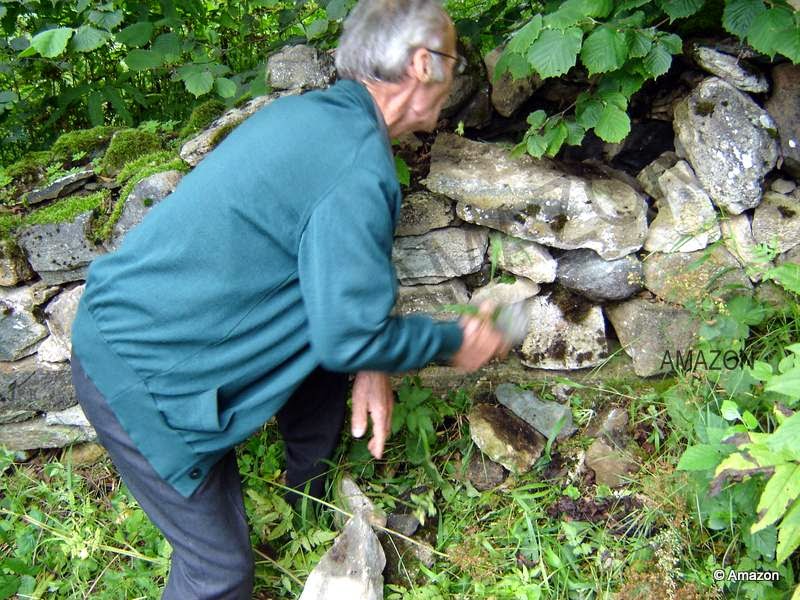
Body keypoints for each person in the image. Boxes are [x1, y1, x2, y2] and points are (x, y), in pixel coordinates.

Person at [70, 0, 508, 597]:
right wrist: (456, 341)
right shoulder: (358, 162)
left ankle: (306, 491)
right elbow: (346, 333)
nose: (456, 76)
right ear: (424, 65)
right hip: (143, 375)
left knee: (325, 375)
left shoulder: (313, 121)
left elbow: (334, 284)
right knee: (217, 572)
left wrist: (370, 355)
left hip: (129, 329)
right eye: (453, 60)